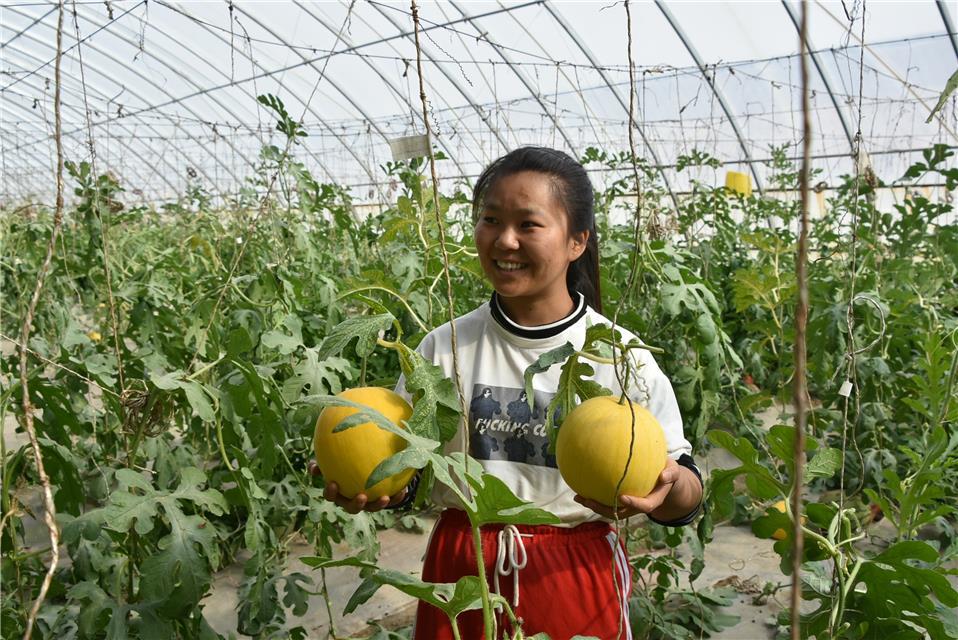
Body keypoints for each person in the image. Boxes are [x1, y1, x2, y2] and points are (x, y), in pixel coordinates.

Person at [317, 147, 704, 639]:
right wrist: (375, 489)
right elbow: (409, 468)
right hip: (463, 567)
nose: (504, 240)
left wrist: (668, 489)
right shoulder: (442, 346)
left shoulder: (623, 357)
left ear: (577, 241)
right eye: (491, 219)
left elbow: (686, 491)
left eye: (528, 224)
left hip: (571, 571)